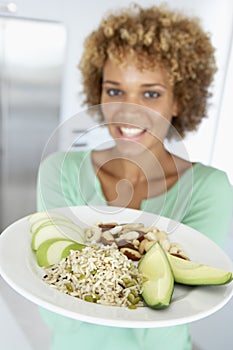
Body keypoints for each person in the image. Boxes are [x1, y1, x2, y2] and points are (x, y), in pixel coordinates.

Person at [37, 3, 233, 350]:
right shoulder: (60, 171)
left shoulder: (209, 190)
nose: (129, 109)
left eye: (151, 93)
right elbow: (56, 300)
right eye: (114, 90)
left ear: (179, 101)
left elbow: (167, 316)